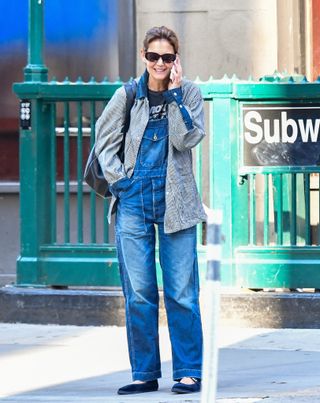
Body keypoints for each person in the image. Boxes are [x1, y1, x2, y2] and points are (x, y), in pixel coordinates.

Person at [95, 26, 206, 395]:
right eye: (154, 56)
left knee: (182, 292)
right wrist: (120, 183)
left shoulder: (189, 93)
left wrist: (174, 95)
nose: (160, 63)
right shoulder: (126, 95)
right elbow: (103, 141)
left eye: (168, 57)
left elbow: (185, 138)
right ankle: (144, 372)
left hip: (177, 204)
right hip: (133, 203)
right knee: (139, 293)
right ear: (144, 56)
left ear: (176, 60)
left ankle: (189, 370)